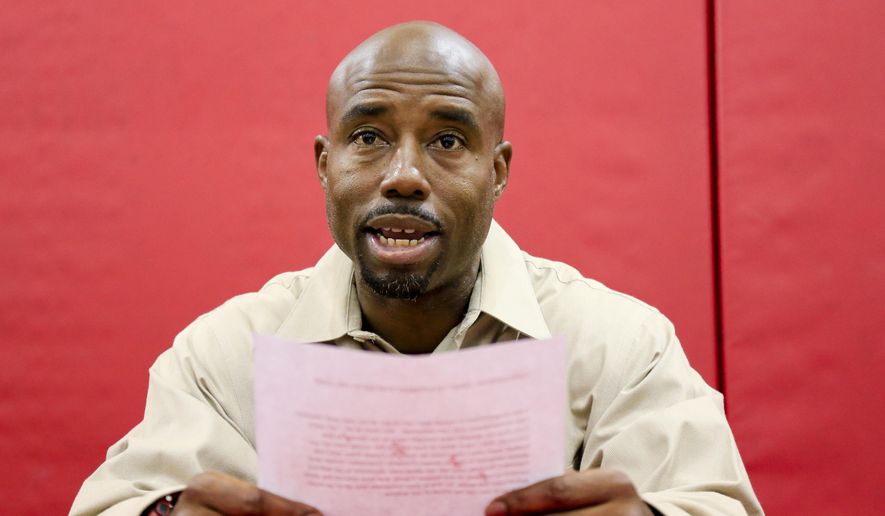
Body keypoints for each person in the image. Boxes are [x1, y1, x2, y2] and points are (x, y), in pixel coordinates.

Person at [72, 21, 762, 516]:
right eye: (368, 137)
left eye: (447, 140)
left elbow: (713, 502)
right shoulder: (221, 355)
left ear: (497, 172)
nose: (403, 175)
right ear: (324, 164)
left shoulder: (620, 344)